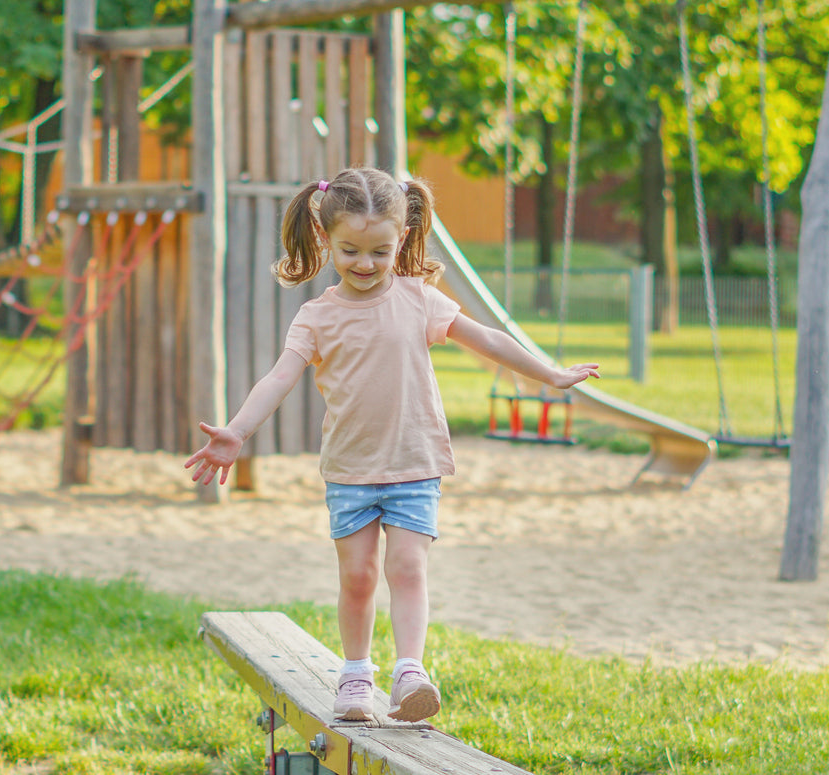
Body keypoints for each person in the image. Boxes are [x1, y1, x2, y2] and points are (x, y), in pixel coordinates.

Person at [184, 167, 599, 724]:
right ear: (325, 238)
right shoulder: (317, 316)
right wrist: (238, 430)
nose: (364, 263)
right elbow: (279, 379)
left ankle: (410, 674)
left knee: (407, 568)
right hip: (351, 471)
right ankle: (355, 677)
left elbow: (488, 338)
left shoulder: (419, 300)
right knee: (357, 577)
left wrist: (548, 375)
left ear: (400, 240)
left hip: (414, 464)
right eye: (350, 250)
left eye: (379, 251)